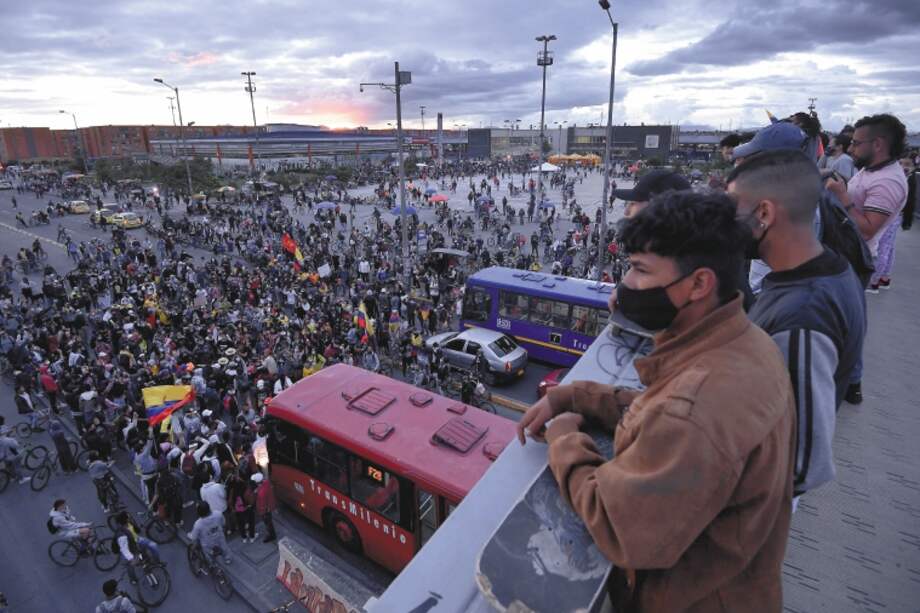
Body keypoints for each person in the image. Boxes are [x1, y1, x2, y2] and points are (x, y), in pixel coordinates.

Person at [517, 190, 796, 612]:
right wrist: (576, 396)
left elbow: (616, 524)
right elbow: (655, 408)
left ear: (699, 283)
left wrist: (562, 439)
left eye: (639, 270)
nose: (624, 285)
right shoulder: (745, 343)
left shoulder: (697, 408)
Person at [728, 150, 866, 503]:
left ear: (764, 213)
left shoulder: (803, 315)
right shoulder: (827, 268)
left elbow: (802, 464)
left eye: (732, 209)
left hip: (754, 505)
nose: (725, 222)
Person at [825, 113, 909, 403]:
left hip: (853, 258)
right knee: (849, 320)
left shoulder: (889, 182)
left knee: (847, 323)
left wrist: (841, 195)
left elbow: (869, 228)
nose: (850, 149)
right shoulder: (873, 170)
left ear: (878, 144)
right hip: (843, 252)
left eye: (856, 144)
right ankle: (851, 380)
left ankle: (850, 383)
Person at [112, 511, 161, 584]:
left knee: (153, 546)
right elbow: (124, 550)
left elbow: (138, 531)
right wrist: (132, 559)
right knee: (130, 564)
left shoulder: (129, 523)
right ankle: (132, 579)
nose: (129, 516)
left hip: (137, 539)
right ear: (125, 519)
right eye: (128, 516)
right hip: (129, 546)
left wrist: (134, 524)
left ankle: (156, 562)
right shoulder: (121, 534)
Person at [252, 472, 277, 543]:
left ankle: (271, 535)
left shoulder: (261, 492)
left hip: (265, 511)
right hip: (268, 508)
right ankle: (272, 534)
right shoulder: (266, 483)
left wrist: (261, 512)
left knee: (268, 523)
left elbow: (262, 504)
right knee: (269, 522)